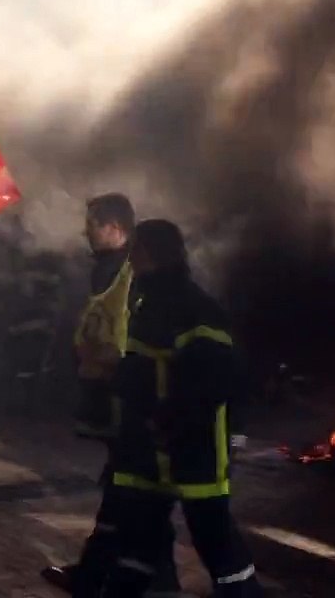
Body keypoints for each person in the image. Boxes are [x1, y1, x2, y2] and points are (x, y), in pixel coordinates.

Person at [100, 219, 262, 597]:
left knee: (213, 537)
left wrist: (169, 418)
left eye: (136, 249)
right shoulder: (149, 303)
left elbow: (215, 378)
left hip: (194, 447)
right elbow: (145, 371)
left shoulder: (196, 308)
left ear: (152, 253)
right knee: (139, 538)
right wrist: (116, 374)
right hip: (147, 448)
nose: (131, 257)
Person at [43, 194, 180, 596]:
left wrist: (114, 366)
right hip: (111, 402)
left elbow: (140, 342)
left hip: (130, 405)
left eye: (93, 223)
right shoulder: (106, 270)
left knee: (131, 494)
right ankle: (99, 573)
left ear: (115, 227)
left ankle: (141, 579)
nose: (85, 230)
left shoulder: (132, 274)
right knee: (122, 492)